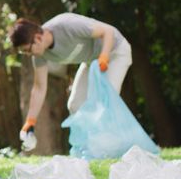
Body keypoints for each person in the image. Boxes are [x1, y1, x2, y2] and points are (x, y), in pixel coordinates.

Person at [10, 13, 132, 150]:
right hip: (92, 60)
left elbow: (107, 31)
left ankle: (112, 147)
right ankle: (89, 147)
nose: (28, 54)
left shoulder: (66, 25)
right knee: (75, 104)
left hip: (115, 51)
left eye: (27, 50)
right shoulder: (39, 54)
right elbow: (39, 88)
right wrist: (30, 121)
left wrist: (104, 55)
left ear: (38, 38)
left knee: (106, 101)